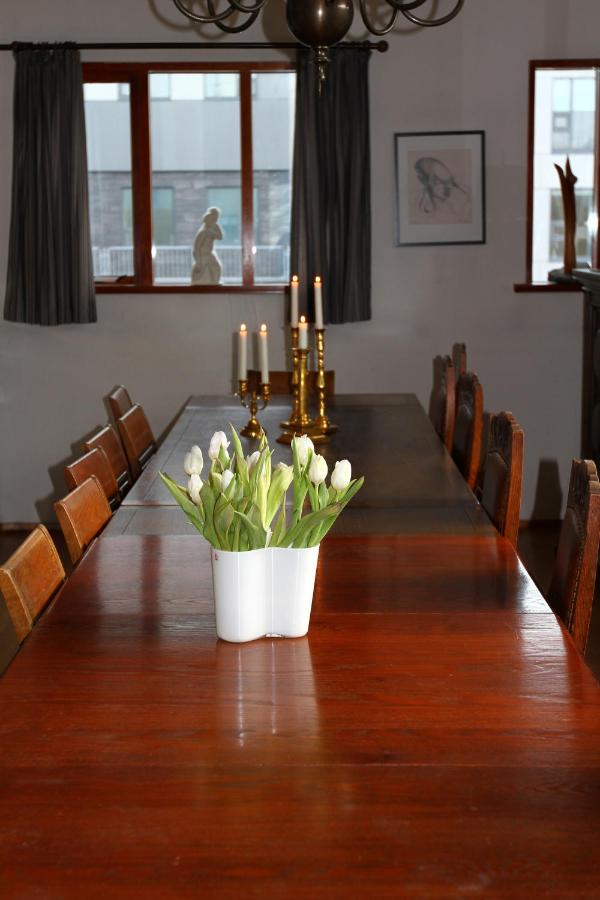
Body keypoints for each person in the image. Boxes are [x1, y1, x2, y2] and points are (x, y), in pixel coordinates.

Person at [191, 207, 223, 285]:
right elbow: (196, 248)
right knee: (202, 268)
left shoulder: (214, 227)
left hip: (209, 253)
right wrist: (198, 260)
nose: (216, 220)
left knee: (216, 267)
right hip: (203, 254)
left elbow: (220, 237)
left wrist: (213, 233)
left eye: (217, 218)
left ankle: (214, 282)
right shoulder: (203, 233)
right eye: (214, 217)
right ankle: (198, 282)